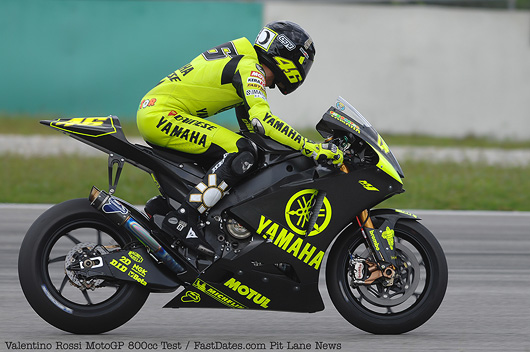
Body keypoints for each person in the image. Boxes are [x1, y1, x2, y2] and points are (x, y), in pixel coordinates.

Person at [137, 21, 343, 256]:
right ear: (289, 55)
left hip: (157, 113)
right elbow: (263, 121)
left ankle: (167, 206)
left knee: (245, 153)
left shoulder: (242, 60)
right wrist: (311, 148)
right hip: (163, 116)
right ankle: (184, 217)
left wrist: (294, 150)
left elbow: (253, 130)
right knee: (242, 151)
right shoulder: (250, 67)